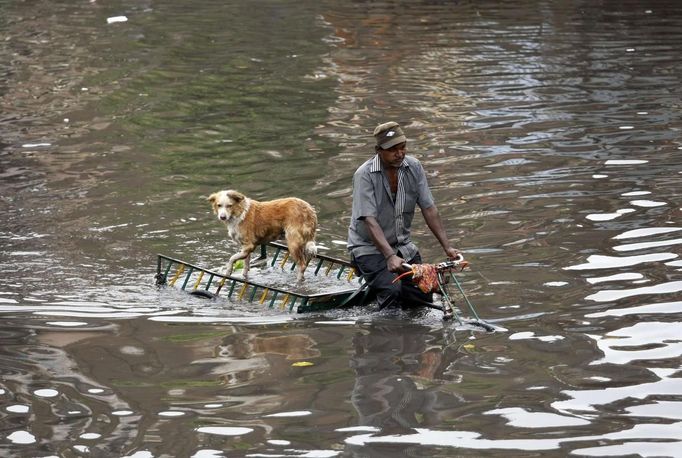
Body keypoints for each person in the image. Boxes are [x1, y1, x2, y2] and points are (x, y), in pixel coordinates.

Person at [347, 121, 461, 309]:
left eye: (402, 148)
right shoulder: (364, 174)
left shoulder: (414, 167)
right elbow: (369, 220)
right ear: (378, 150)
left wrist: (447, 247)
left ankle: (415, 335)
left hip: (403, 246)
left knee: (423, 292)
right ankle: (386, 332)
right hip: (368, 248)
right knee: (392, 292)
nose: (399, 153)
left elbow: (429, 208)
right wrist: (390, 256)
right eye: (392, 149)